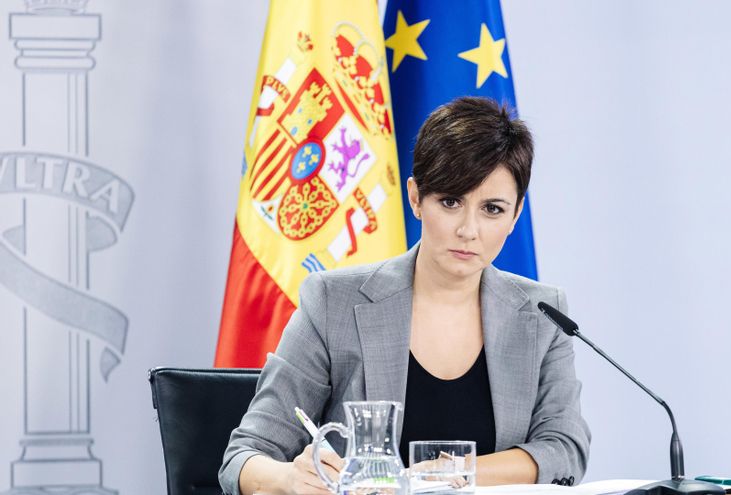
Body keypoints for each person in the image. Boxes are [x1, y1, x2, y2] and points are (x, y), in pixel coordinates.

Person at [219, 96, 590, 495]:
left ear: (516, 214)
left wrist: (448, 472)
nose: (469, 230)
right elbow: (244, 457)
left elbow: (563, 449)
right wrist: (289, 479)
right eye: (450, 202)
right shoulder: (333, 302)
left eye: (493, 209)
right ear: (416, 198)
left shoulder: (542, 313)